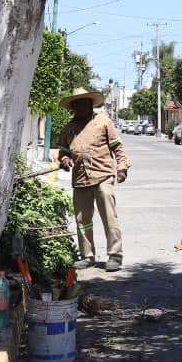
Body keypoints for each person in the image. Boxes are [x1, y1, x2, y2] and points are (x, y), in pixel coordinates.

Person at [56, 87, 130, 271]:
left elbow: (117, 147)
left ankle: (115, 255)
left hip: (102, 175)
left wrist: (121, 168)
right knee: (82, 220)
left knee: (109, 216)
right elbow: (63, 150)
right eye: (77, 104)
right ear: (73, 107)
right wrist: (64, 159)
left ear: (90, 104)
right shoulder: (69, 127)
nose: (81, 106)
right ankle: (87, 256)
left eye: (84, 102)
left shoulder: (103, 122)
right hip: (80, 179)